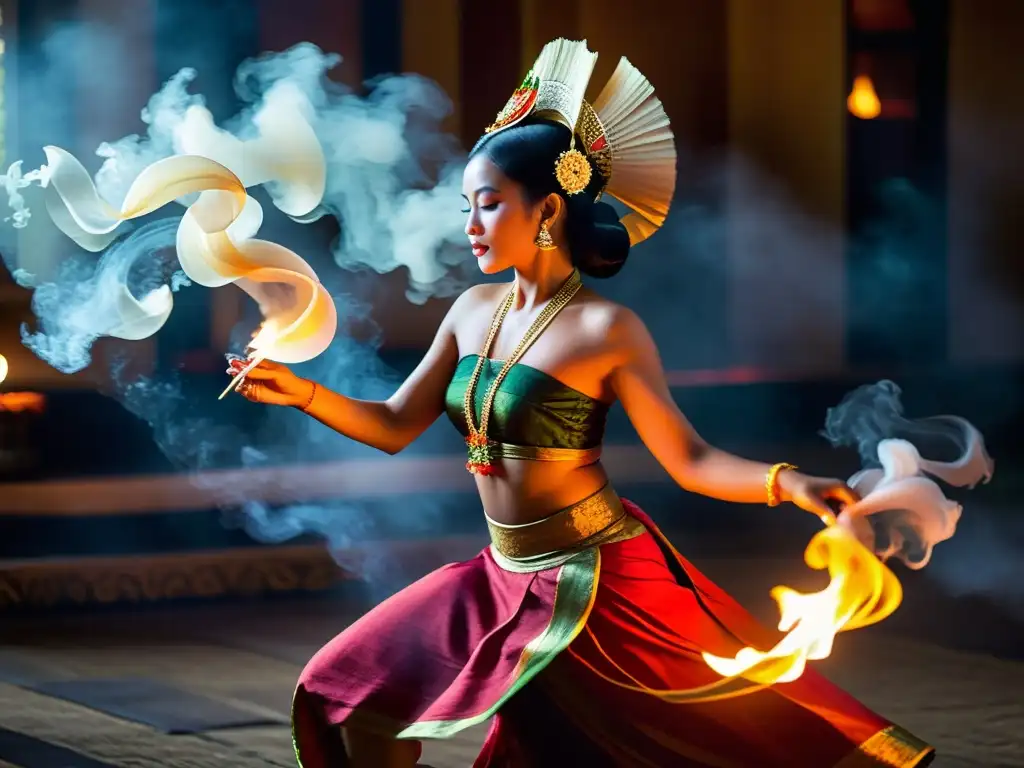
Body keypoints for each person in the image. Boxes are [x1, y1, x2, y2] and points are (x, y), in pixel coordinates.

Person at [230, 39, 935, 768]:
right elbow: (394, 425)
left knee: (676, 739)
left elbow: (689, 460)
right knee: (355, 699)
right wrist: (300, 390)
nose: (470, 223)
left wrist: (790, 482)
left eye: (488, 203)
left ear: (548, 209)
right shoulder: (473, 310)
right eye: (466, 205)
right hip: (499, 573)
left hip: (592, 580)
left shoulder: (606, 329)